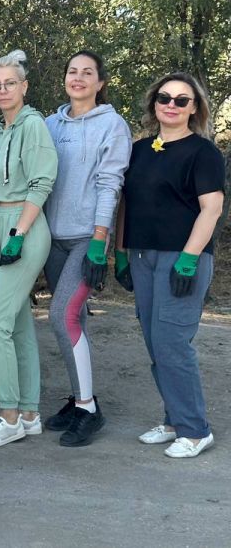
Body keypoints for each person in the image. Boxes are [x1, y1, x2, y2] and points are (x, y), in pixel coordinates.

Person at [115, 72, 223, 458]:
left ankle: (195, 430)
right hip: (143, 256)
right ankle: (175, 419)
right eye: (165, 98)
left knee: (172, 343)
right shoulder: (140, 150)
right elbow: (127, 204)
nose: (172, 105)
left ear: (194, 108)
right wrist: (121, 252)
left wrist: (190, 259)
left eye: (182, 100)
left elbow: (211, 209)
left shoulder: (203, 152)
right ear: (154, 103)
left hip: (184, 259)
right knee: (154, 342)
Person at [42, 51, 132, 446]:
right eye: (72, 71)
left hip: (85, 239)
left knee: (63, 315)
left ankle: (89, 409)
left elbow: (110, 184)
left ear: (100, 83)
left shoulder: (112, 125)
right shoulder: (48, 124)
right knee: (73, 321)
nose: (78, 78)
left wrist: (100, 240)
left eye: (87, 73)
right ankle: (81, 398)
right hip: (50, 239)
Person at [0, 49, 57, 448]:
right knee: (18, 320)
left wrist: (19, 234)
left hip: (21, 226)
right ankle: (28, 412)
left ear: (24, 86)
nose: (3, 89)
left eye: (10, 83)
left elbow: (41, 183)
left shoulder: (32, 124)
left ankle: (7, 416)